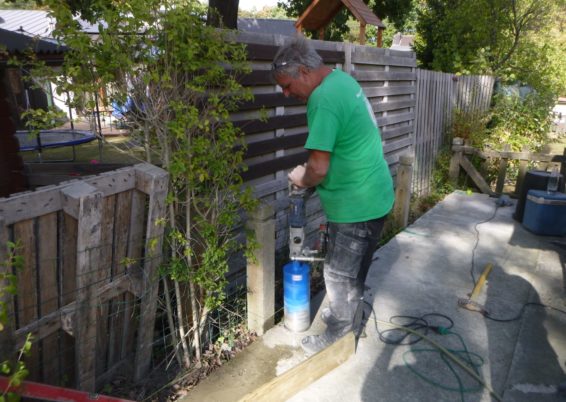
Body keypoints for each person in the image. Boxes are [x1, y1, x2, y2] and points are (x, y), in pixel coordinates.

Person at [272, 37, 395, 355]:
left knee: (338, 274)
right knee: (355, 267)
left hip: (357, 205)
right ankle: (349, 314)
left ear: (302, 71)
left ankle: (337, 340)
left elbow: (318, 168)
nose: (286, 94)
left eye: (286, 85)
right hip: (375, 194)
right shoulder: (340, 80)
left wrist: (301, 177)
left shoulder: (322, 99)